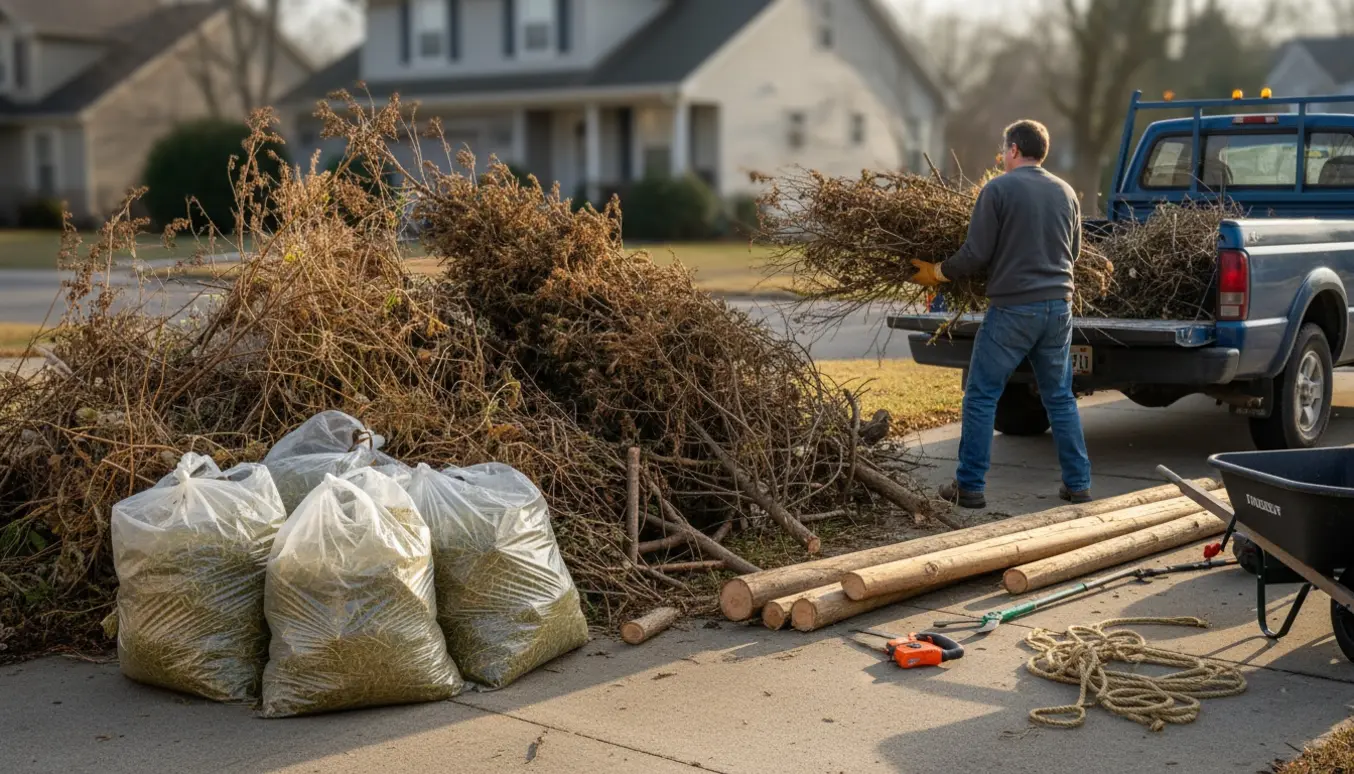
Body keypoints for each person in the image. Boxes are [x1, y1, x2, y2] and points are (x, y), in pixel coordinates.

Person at [909, 120, 1092, 509]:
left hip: (1013, 309)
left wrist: (938, 272)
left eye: (1002, 149)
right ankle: (1078, 484)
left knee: (981, 394)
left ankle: (969, 486)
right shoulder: (1066, 192)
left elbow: (976, 253)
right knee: (1059, 397)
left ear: (1012, 150)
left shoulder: (997, 190)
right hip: (1059, 308)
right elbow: (1073, 254)